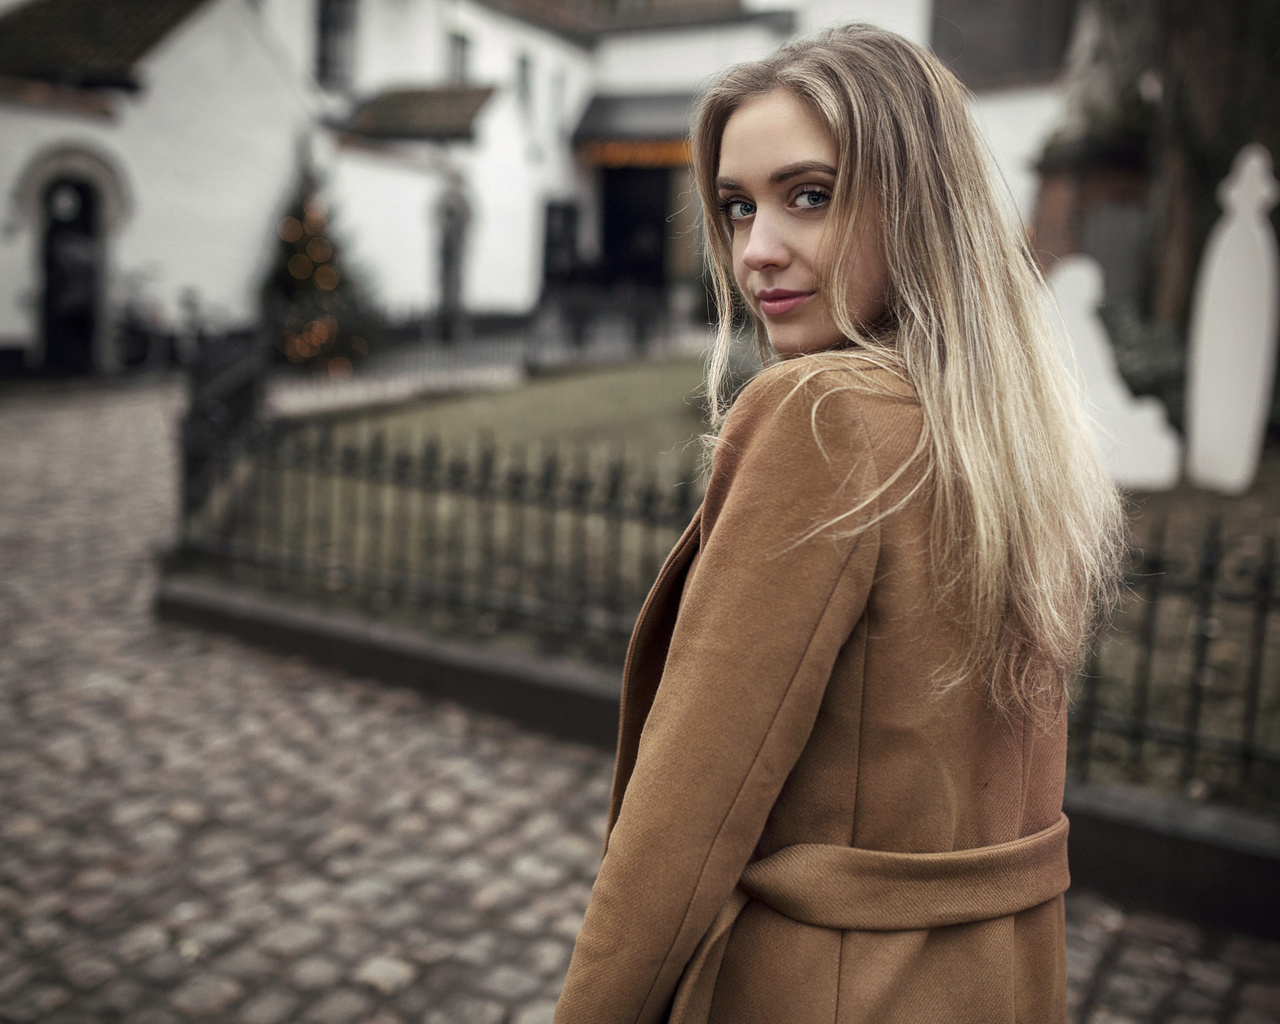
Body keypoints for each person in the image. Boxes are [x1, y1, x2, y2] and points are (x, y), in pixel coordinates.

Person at [554, 23, 1125, 1024]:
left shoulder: (824, 417)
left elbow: (683, 822)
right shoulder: (1012, 432)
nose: (754, 251)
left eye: (807, 196)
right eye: (736, 207)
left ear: (916, 202)